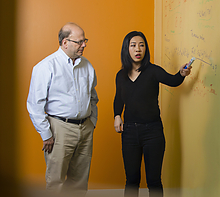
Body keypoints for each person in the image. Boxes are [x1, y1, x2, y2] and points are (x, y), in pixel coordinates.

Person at [113, 31, 192, 197]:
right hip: (129, 133)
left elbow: (173, 80)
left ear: (145, 49)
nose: (138, 49)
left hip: (153, 132)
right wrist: (117, 115)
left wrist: (181, 74)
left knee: (154, 180)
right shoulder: (120, 75)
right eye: (133, 45)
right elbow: (118, 98)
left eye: (142, 45)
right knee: (132, 180)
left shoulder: (153, 70)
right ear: (126, 49)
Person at [27, 22, 98, 196]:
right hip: (59, 129)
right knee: (56, 181)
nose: (84, 45)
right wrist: (46, 134)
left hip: (85, 128)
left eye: (85, 40)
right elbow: (35, 104)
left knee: (79, 181)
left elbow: (93, 98)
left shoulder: (87, 66)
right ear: (65, 42)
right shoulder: (45, 67)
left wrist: (92, 122)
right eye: (80, 41)